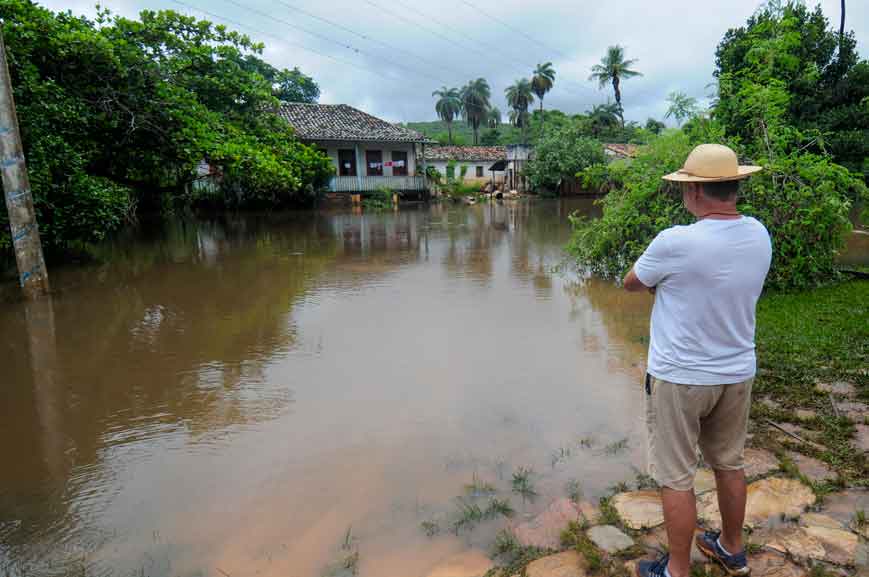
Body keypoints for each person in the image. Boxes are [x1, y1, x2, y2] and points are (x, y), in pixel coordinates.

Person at [625, 144, 771, 577]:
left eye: (686, 188)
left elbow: (633, 283)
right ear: (734, 187)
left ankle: (676, 570)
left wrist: (662, 285)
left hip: (681, 377)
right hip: (736, 372)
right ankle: (731, 547)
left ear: (697, 193)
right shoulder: (759, 233)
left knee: (676, 475)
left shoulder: (675, 241)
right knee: (729, 463)